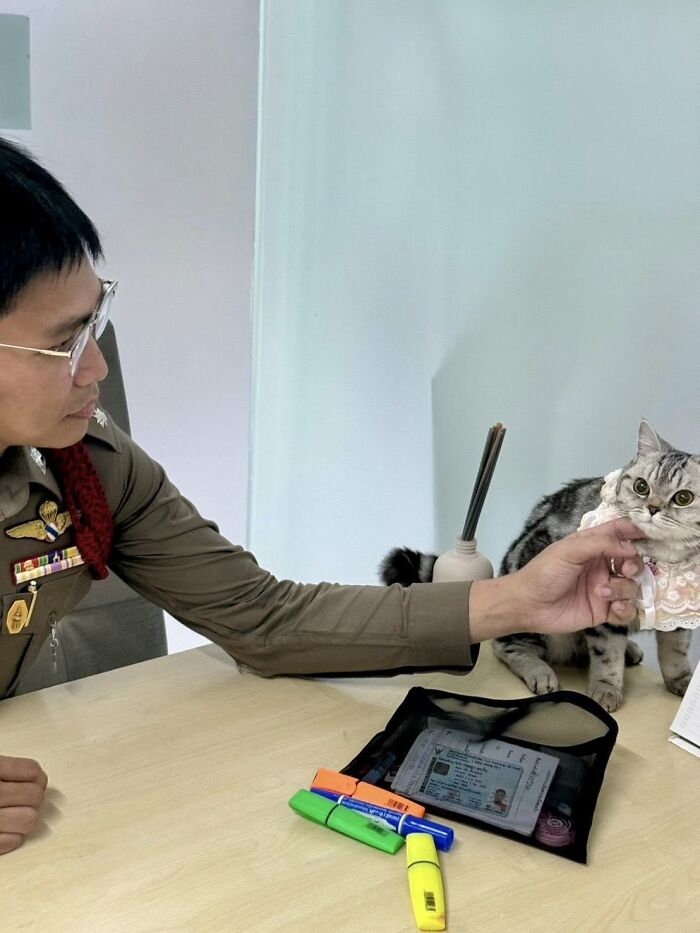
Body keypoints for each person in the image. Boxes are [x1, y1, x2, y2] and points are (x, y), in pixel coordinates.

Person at [0, 137, 643, 855]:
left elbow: (265, 616)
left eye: (97, 320)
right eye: (64, 342)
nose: (96, 367)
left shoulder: (86, 468)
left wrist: (519, 601)